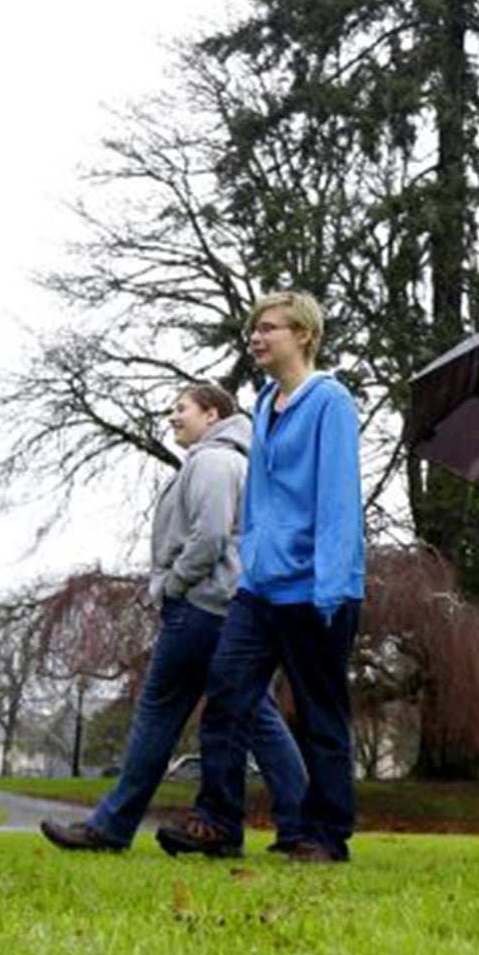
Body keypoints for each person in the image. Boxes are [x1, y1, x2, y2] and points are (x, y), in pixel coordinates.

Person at [40, 383, 308, 853]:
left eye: (181, 408)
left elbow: (208, 536)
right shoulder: (239, 460)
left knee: (158, 712)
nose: (172, 417)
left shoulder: (213, 461)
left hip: (202, 607)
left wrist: (171, 584)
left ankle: (111, 826)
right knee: (257, 716)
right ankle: (303, 826)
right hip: (231, 607)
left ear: (212, 414)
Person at [156, 290, 365, 864]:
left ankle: (324, 835)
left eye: (268, 327)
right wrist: (252, 560)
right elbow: (262, 500)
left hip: (318, 589)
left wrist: (328, 586)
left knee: (321, 716)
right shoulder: (266, 402)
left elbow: (339, 499)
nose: (256, 336)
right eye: (254, 328)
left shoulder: (331, 403)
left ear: (303, 334)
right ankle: (217, 823)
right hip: (261, 588)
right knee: (225, 697)